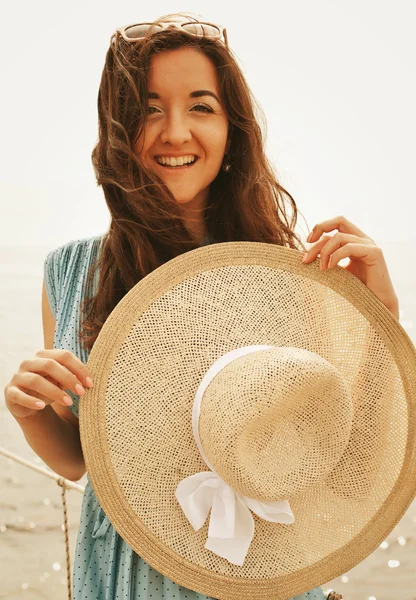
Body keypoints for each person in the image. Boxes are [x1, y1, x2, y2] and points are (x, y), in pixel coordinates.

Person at [4, 12, 399, 600]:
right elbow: (81, 461)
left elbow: (348, 467)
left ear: (231, 130)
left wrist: (379, 313)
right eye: (149, 108)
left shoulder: (284, 273)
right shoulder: (71, 271)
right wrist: (29, 408)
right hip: (122, 570)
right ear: (118, 129)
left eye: (201, 106)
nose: (176, 132)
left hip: (261, 575)